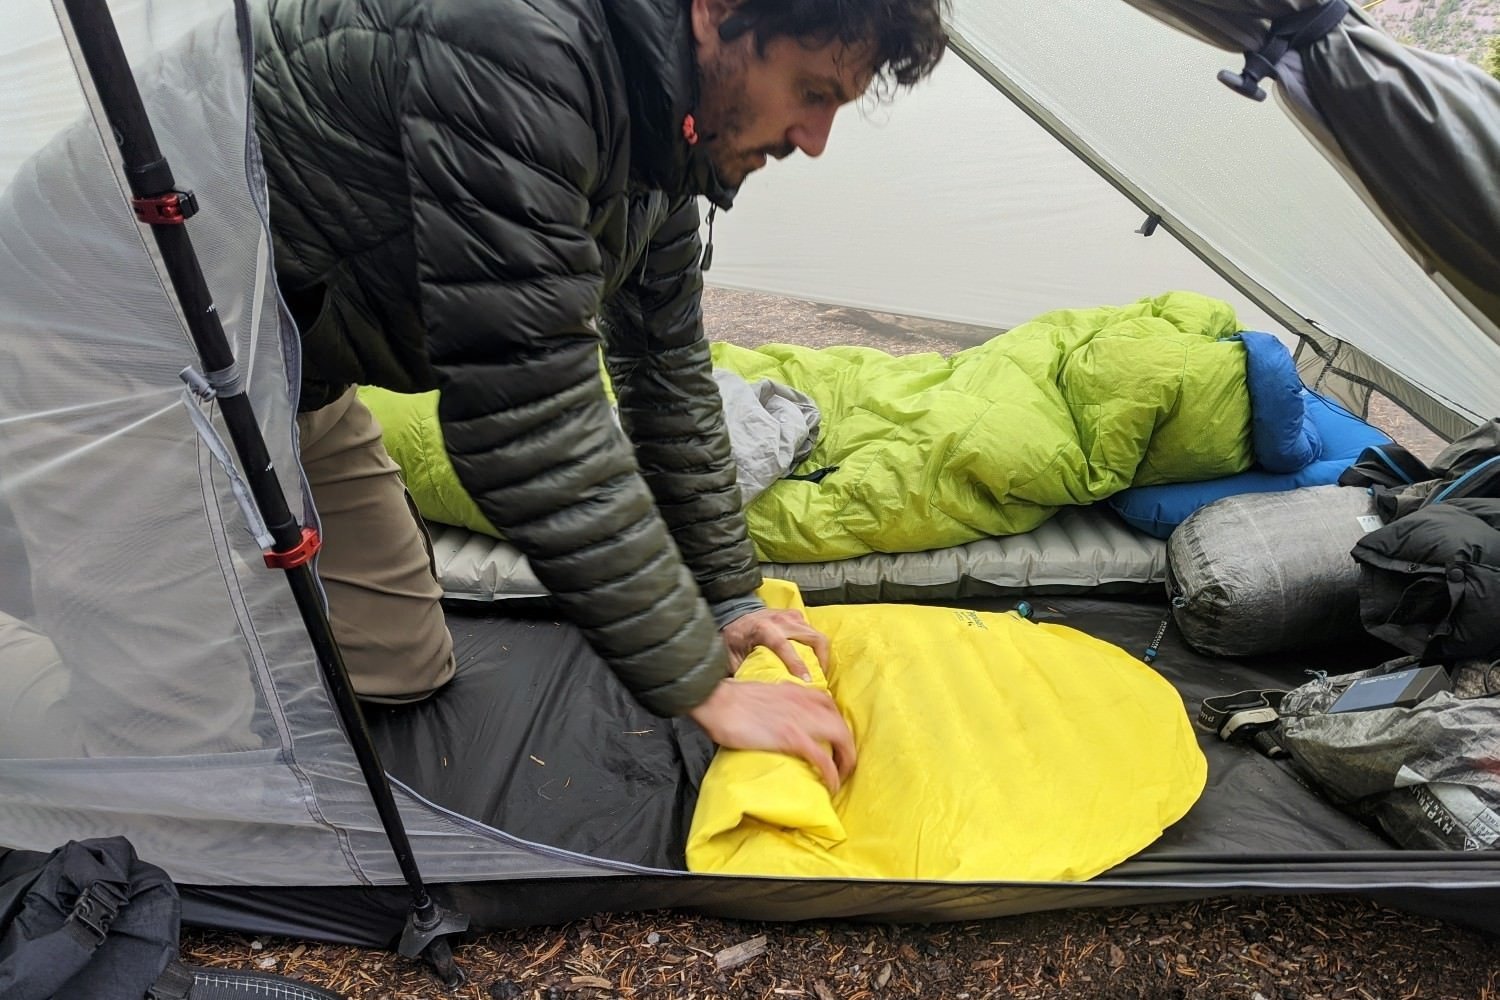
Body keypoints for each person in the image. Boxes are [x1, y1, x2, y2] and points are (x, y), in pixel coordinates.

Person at [250, 0, 947, 791]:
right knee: (190, 716)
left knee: (399, 662)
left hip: (295, 376)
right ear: (716, 12)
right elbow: (527, 410)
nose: (814, 141)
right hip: (150, 349)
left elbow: (667, 368)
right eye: (812, 93)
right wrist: (700, 684)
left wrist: (726, 600)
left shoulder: (666, 142)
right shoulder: (519, 44)